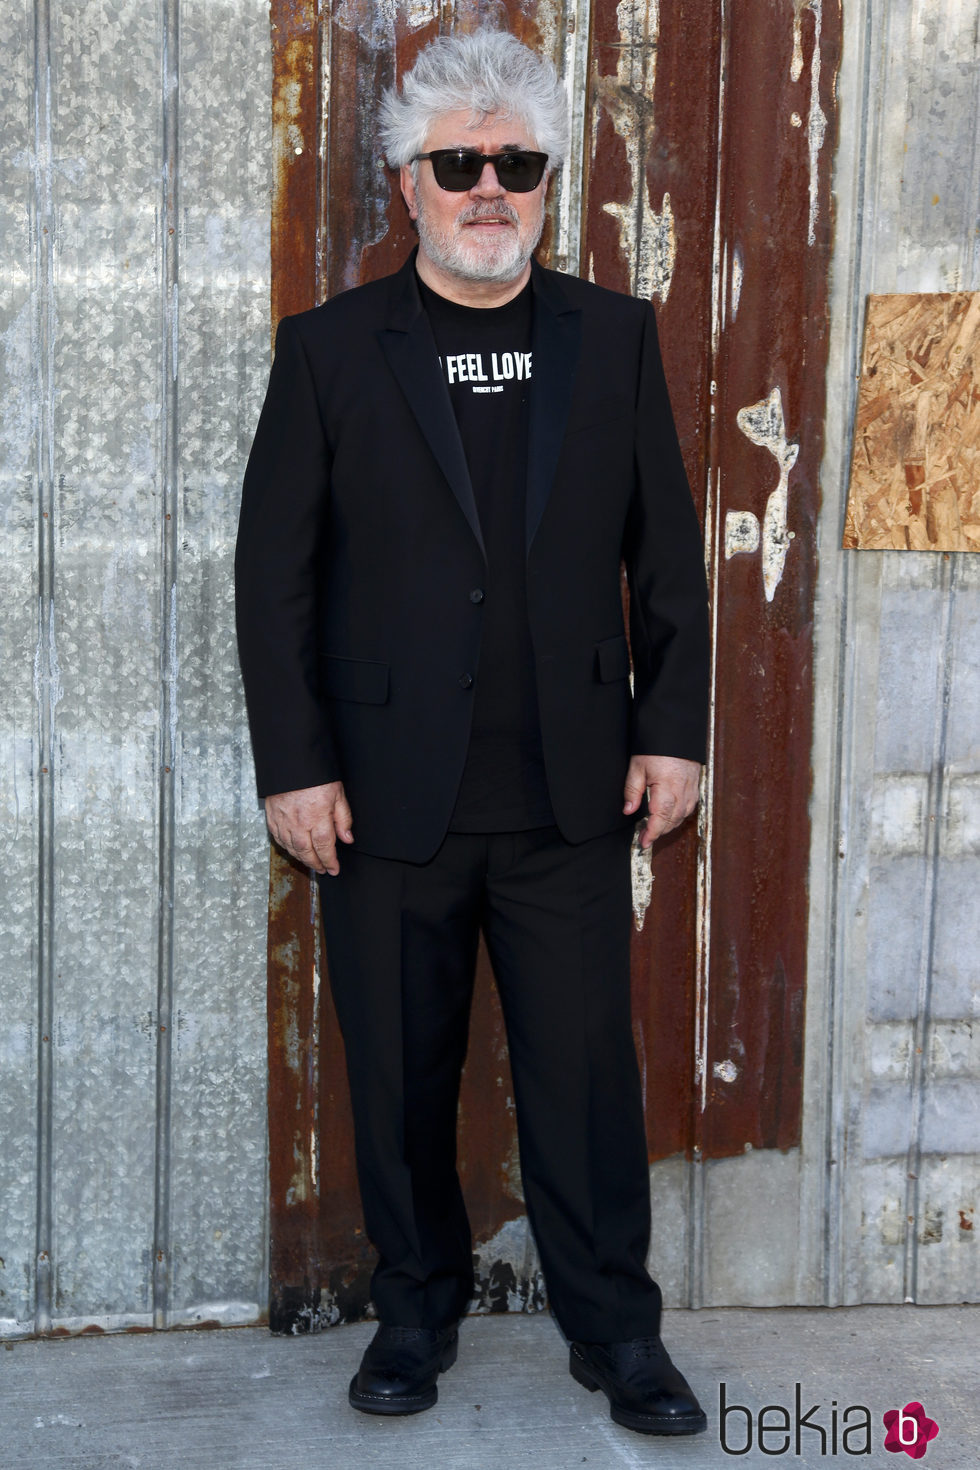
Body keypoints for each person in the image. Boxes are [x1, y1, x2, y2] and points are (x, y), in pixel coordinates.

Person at [235, 27, 710, 1437]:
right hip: (382, 800)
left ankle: (618, 1335)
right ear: (410, 183)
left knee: (585, 1089)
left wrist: (672, 732)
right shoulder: (328, 352)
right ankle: (413, 1315)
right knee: (397, 1080)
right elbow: (276, 577)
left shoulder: (614, 336)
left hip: (571, 792)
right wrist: (295, 764)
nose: (490, 185)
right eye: (461, 162)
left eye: (518, 161)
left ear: (549, 179)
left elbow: (669, 558)